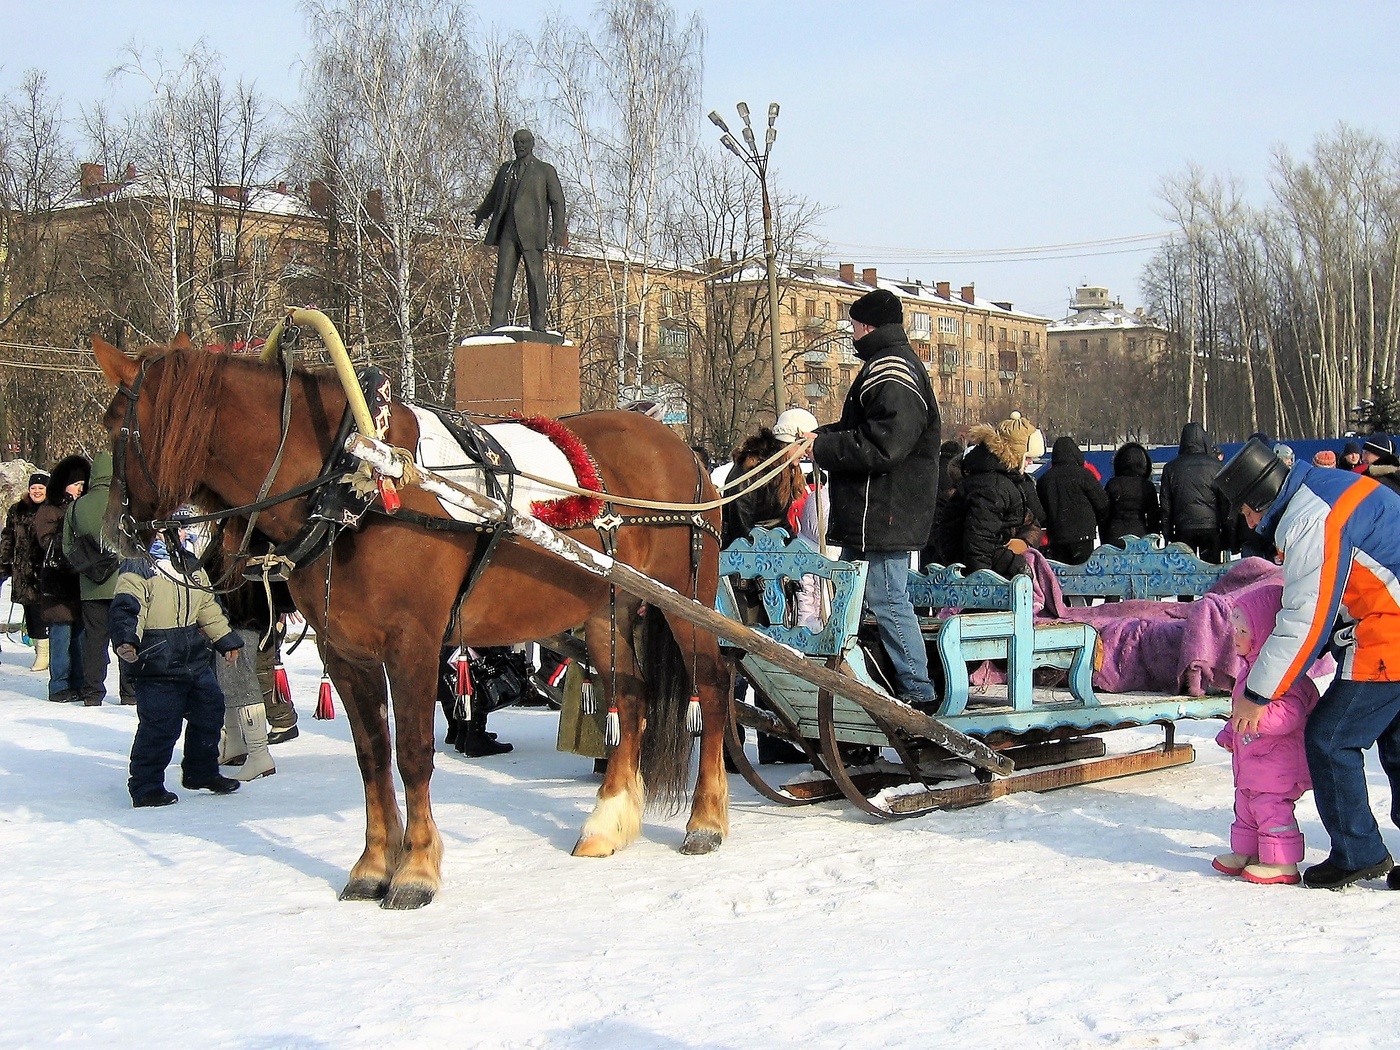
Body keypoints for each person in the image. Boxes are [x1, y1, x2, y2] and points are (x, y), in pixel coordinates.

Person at [1215, 437, 1400, 889]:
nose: (1246, 518)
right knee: (1396, 744)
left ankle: (1358, 853)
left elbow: (1306, 615)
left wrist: (1258, 695)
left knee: (1330, 737)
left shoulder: (1311, 516)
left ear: (1261, 496)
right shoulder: (1324, 485)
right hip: (1386, 622)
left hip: (1388, 631)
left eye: (1245, 507)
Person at [810, 287, 939, 706]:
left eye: (853, 325)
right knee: (855, 599)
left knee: (886, 599)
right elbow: (865, 430)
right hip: (875, 513)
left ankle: (917, 690)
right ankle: (863, 683)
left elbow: (885, 445)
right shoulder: (888, 366)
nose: (851, 333)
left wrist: (823, 448)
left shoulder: (891, 371)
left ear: (867, 325)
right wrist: (818, 439)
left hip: (883, 513)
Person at [111, 526, 244, 807]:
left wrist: (225, 639)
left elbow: (207, 605)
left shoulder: (190, 564)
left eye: (180, 528)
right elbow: (128, 607)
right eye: (162, 530)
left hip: (193, 657)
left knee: (210, 711)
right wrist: (127, 640)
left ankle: (201, 771)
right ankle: (146, 786)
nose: (174, 534)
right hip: (156, 658)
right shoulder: (138, 566)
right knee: (160, 726)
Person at [1212, 582, 1319, 886]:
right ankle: (1247, 852)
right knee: (1245, 805)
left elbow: (1290, 714)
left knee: (1271, 810)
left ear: (1265, 630)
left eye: (1242, 632)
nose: (1235, 638)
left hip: (1278, 763)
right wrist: (1230, 733)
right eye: (1234, 631)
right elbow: (1239, 710)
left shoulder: (1283, 672)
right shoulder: (1249, 668)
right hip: (1253, 761)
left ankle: (1282, 862)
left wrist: (1258, 719)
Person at [473, 128, 567, 332]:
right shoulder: (506, 169)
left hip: (531, 232)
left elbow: (557, 202)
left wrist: (558, 231)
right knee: (503, 277)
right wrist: (481, 212)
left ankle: (539, 325)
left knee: (535, 278)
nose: (519, 145)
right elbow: (493, 196)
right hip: (507, 231)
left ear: (532, 144)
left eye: (523, 142)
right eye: (516, 142)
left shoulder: (544, 170)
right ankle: (496, 323)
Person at [62, 452, 133, 707]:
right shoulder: (123, 502)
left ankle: (93, 693)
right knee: (125, 638)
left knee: (94, 642)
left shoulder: (76, 506)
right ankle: (129, 692)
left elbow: (67, 545)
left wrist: (85, 565)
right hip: (123, 584)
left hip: (90, 587)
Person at [937, 423, 1034, 578]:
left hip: (973, 557)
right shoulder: (993, 486)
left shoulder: (995, 480)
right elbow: (979, 541)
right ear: (1018, 455)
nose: (1032, 463)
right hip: (970, 563)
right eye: (1028, 458)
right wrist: (982, 582)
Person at [33, 456, 88, 703]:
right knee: (60, 638)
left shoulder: (83, 507)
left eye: (82, 484)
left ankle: (77, 681)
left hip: (80, 583)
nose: (80, 488)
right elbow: (47, 542)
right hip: (57, 584)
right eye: (76, 483)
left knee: (78, 639)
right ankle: (59, 685)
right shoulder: (49, 509)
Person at [0, 470, 50, 671]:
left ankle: (45, 652)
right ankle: (39, 649)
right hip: (24, 571)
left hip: (47, 571)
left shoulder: (53, 510)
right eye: (33, 488)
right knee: (30, 611)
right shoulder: (17, 510)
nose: (36, 491)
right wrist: (4, 564)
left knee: (43, 612)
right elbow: (8, 539)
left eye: (40, 488)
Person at [1160, 422, 1229, 563]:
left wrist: (1167, 535)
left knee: (1184, 574)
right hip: (1210, 527)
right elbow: (1224, 502)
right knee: (1211, 572)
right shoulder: (1216, 466)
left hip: (1183, 527)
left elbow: (1166, 505)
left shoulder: (1171, 468)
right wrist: (1226, 531)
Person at [1036, 435, 1108, 564]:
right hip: (1083, 537)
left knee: (1062, 577)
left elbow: (1040, 512)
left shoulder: (1044, 480)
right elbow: (1102, 503)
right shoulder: (1085, 475)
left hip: (1057, 538)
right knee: (1083, 575)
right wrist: (1095, 521)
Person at [1103, 441, 1160, 546]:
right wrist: (1155, 542)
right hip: (1140, 534)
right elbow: (1153, 518)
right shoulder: (1147, 486)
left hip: (1115, 536)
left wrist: (1105, 539)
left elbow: (1105, 514)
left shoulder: (1112, 484)